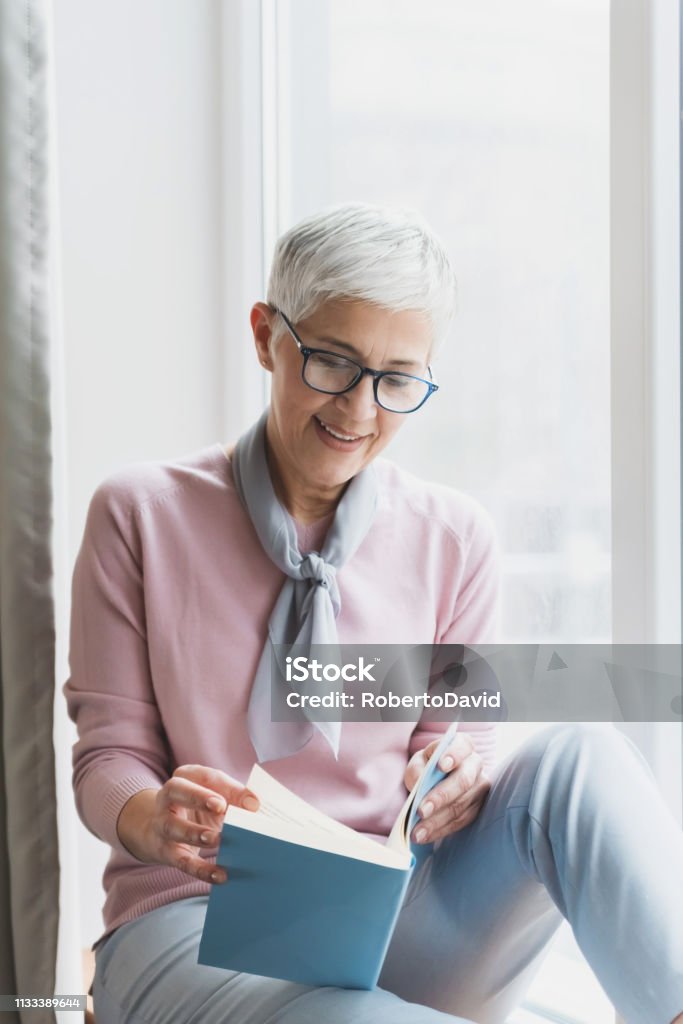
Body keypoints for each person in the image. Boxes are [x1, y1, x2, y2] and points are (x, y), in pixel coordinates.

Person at [63, 203, 683, 1024]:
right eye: (330, 361)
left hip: (386, 920)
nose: (358, 410)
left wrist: (455, 778)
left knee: (580, 757)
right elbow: (107, 756)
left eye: (396, 379)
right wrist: (151, 819)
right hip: (193, 923)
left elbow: (452, 741)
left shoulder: (454, 536)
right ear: (265, 337)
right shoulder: (140, 513)